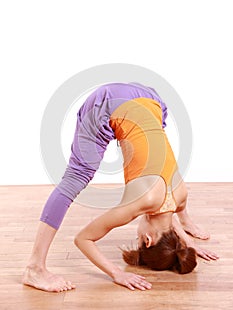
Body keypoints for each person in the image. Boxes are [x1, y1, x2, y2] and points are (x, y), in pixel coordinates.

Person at [22, 82, 219, 292]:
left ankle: (189, 226)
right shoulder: (140, 203)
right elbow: (83, 239)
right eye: (138, 238)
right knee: (76, 177)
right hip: (106, 103)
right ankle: (35, 268)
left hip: (148, 98)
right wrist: (117, 273)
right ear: (148, 240)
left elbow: (169, 213)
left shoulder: (180, 194)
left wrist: (188, 243)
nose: (138, 234)